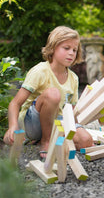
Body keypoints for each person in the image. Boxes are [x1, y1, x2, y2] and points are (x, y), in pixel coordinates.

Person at [3, 26, 93, 158]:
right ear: (53, 48)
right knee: (53, 94)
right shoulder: (40, 71)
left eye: (74, 50)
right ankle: (45, 141)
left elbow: (71, 113)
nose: (71, 53)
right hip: (33, 123)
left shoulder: (73, 78)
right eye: (66, 48)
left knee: (86, 140)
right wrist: (13, 126)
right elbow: (15, 103)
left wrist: (80, 132)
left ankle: (50, 139)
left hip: (57, 121)